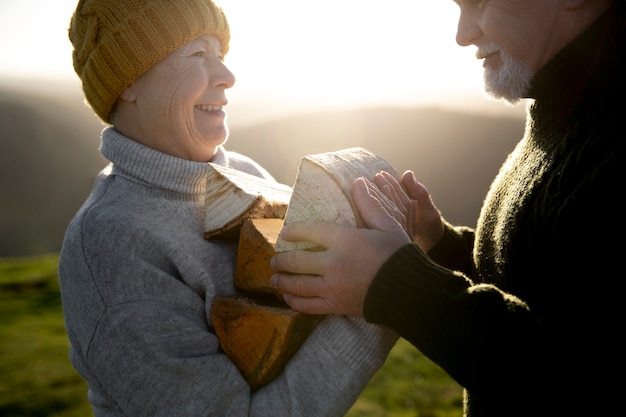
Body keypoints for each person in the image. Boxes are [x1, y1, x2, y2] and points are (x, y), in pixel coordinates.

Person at [270, 0, 625, 416]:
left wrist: (393, 283)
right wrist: (439, 246)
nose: (463, 34)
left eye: (478, 3)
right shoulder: (563, 101)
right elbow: (555, 284)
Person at [58, 0, 397, 415]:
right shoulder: (111, 245)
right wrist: (382, 297)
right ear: (129, 82)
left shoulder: (244, 171)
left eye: (220, 55)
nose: (228, 76)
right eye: (198, 55)